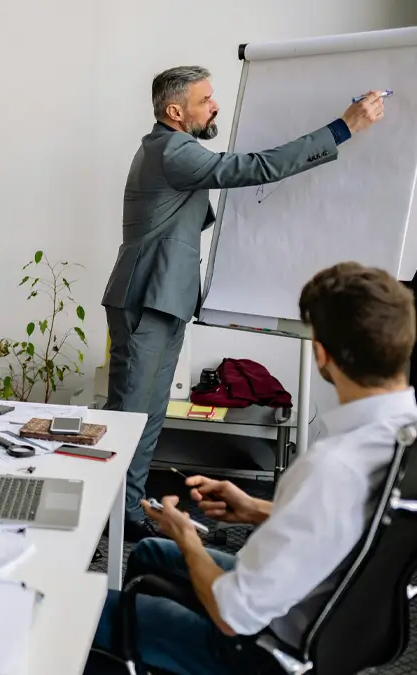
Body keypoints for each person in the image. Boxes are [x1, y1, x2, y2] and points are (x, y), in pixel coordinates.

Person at [101, 65, 386, 540]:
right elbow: (256, 167)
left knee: (148, 416)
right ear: (175, 111)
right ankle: (105, 518)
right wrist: (343, 128)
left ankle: (128, 512)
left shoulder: (170, 148)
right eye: (205, 100)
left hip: (164, 299)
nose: (215, 105)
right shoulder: (173, 150)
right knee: (130, 415)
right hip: (145, 298)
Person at [92, 262, 417, 675]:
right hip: (328, 612)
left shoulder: (332, 466)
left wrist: (187, 534)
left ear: (321, 353)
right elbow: (365, 527)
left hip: (258, 651)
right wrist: (257, 509)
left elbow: (233, 614)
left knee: (83, 608)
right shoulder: (402, 433)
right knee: (153, 551)